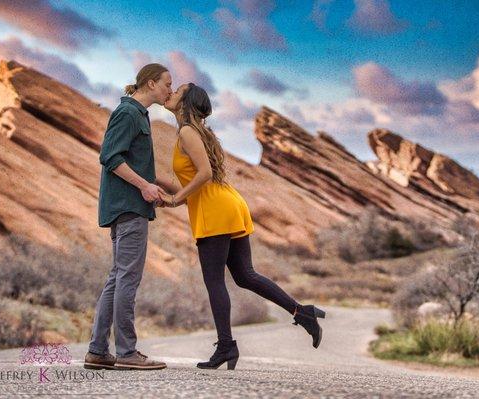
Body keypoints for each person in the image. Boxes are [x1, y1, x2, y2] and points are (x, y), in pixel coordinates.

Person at [161, 82, 326, 371]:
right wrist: (180, 199)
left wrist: (176, 199)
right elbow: (201, 178)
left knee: (215, 281)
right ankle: (303, 313)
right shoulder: (195, 132)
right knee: (245, 275)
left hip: (216, 210)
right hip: (226, 204)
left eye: (178, 90)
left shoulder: (188, 131)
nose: (171, 92)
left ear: (185, 102)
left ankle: (226, 346)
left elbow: (204, 173)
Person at [84, 63, 173, 371]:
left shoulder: (137, 115)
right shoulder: (128, 114)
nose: (169, 91)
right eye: (166, 84)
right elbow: (109, 156)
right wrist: (144, 186)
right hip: (128, 207)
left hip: (127, 206)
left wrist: (152, 187)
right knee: (127, 278)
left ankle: (98, 350)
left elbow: (126, 160)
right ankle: (127, 352)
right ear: (150, 84)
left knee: (117, 277)